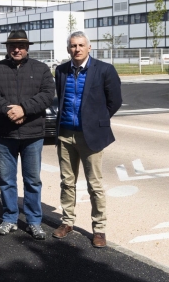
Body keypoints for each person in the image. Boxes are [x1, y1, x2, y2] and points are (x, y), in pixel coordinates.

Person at [52, 31, 122, 248]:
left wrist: (97, 121)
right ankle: (67, 222)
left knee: (95, 185)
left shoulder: (104, 70)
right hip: (65, 134)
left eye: (81, 45)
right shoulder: (61, 71)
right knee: (67, 182)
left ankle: (99, 229)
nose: (77, 49)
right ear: (68, 49)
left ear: (89, 47)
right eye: (73, 46)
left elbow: (115, 101)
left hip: (90, 135)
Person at [0, 30, 54, 240]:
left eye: (21, 45)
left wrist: (24, 109)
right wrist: (8, 110)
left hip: (32, 134)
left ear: (27, 47)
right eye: (13, 45)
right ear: (7, 48)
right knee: (6, 180)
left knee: (32, 180)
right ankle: (10, 218)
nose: (17, 49)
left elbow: (47, 94)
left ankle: (33, 221)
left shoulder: (41, 69)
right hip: (6, 134)